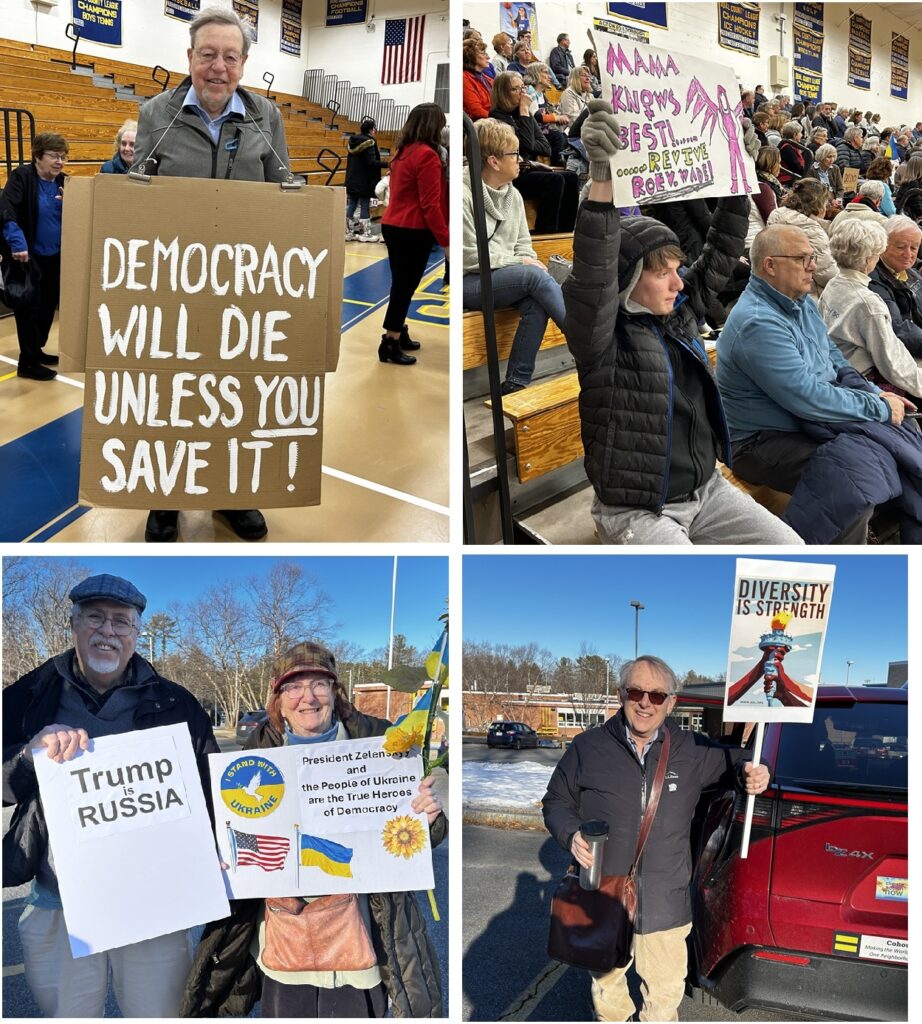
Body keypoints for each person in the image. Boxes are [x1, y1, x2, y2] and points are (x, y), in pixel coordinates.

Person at [563, 101, 802, 545]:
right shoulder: (600, 335)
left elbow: (722, 247)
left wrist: (737, 176)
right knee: (688, 593)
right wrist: (601, 176)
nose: (678, 282)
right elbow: (594, 268)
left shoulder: (680, 313)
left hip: (707, 492)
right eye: (661, 272)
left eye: (678, 268)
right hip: (638, 509)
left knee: (789, 551)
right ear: (629, 280)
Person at [180, 641, 445, 1018]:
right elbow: (227, 835)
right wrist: (220, 856)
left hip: (361, 943)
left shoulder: (383, 745)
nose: (308, 697)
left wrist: (429, 818)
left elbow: (421, 839)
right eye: (294, 687)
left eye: (319, 684)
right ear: (279, 698)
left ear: (335, 692)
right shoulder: (252, 757)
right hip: (285, 949)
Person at [2, 573, 219, 1017]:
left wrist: (216, 845)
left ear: (137, 634)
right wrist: (28, 756)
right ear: (74, 625)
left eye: (121, 622)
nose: (107, 631)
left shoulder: (178, 704)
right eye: (95, 618)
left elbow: (211, 788)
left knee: (157, 1014)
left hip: (154, 899)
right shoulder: (27, 697)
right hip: (58, 897)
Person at [133, 4, 289, 543]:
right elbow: (137, 194)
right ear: (190, 58)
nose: (217, 66)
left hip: (244, 283)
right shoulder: (157, 112)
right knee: (170, 391)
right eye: (208, 55)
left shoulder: (267, 117)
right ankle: (164, 495)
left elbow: (285, 194)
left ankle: (231, 491)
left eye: (229, 56)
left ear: (244, 64)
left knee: (236, 393)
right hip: (172, 282)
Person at [543, 655, 770, 1023]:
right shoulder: (588, 747)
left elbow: (743, 764)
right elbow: (556, 801)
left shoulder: (693, 750)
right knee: (607, 987)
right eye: (636, 692)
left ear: (672, 702)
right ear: (621, 694)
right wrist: (570, 834)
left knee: (664, 995)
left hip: (666, 898)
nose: (645, 702)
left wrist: (757, 773)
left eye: (657, 695)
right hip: (603, 891)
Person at [717, 223, 918, 544]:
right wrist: (878, 407)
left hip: (803, 423)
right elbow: (806, 397)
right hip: (759, 442)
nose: (814, 266)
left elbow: (834, 360)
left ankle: (873, 538)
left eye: (813, 257)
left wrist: (875, 393)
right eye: (802, 259)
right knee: (853, 477)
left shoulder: (799, 300)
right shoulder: (758, 322)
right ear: (770, 265)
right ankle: (830, 562)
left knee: (894, 443)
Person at [463, 118, 566, 394]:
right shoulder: (462, 194)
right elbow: (469, 256)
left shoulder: (514, 195)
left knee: (536, 300)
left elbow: (524, 245)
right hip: (468, 280)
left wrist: (522, 261)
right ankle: (587, 344)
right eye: (515, 154)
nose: (521, 160)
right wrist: (519, 263)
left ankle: (515, 383)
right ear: (494, 161)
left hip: (503, 277)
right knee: (535, 276)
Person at [820, 218, 922, 400]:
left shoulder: (834, 284)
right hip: (864, 381)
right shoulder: (867, 303)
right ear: (869, 258)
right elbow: (893, 364)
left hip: (840, 370)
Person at [378, 103, 449, 366]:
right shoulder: (428, 155)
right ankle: (390, 341)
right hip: (413, 228)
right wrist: (445, 239)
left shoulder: (402, 152)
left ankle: (399, 329)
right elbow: (430, 204)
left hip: (392, 224)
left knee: (401, 284)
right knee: (404, 287)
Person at [0, 132, 67, 381]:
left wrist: (71, 203)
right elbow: (8, 212)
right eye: (54, 156)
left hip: (56, 256)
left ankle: (36, 350)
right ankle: (27, 363)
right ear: (38, 156)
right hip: (27, 258)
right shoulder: (22, 178)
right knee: (29, 309)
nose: (59, 161)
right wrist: (18, 244)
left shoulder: (64, 182)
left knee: (48, 306)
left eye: (63, 157)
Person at [489, 72, 579, 234]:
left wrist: (524, 120)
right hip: (512, 174)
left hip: (529, 166)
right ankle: (546, 233)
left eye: (522, 88)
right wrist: (524, 111)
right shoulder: (498, 117)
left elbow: (545, 147)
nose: (521, 94)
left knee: (572, 177)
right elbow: (526, 144)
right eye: (515, 90)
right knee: (554, 181)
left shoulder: (523, 115)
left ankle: (565, 232)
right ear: (503, 93)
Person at [766, 178, 838, 298]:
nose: (826, 208)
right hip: (805, 296)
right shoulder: (811, 229)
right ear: (818, 204)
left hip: (775, 285)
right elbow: (827, 274)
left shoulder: (777, 214)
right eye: (825, 204)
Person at [868, 215, 922, 359]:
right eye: (900, 247)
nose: (908, 254)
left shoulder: (909, 271)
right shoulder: (874, 279)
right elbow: (899, 329)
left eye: (914, 248)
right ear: (882, 245)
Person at [344, 117, 386, 242]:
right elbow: (371, 163)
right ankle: (365, 233)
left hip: (352, 178)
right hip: (364, 180)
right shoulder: (369, 142)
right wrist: (388, 164)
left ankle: (348, 232)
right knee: (364, 205)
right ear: (372, 129)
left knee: (352, 204)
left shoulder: (353, 141)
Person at [462, 37, 493, 121]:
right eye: (483, 53)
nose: (488, 57)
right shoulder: (464, 78)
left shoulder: (487, 78)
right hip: (482, 123)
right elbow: (476, 111)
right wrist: (498, 118)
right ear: (471, 56)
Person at [777, 121, 810, 186]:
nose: (802, 135)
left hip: (794, 178)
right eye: (800, 133)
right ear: (794, 135)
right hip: (788, 180)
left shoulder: (791, 145)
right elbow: (796, 168)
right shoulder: (786, 147)